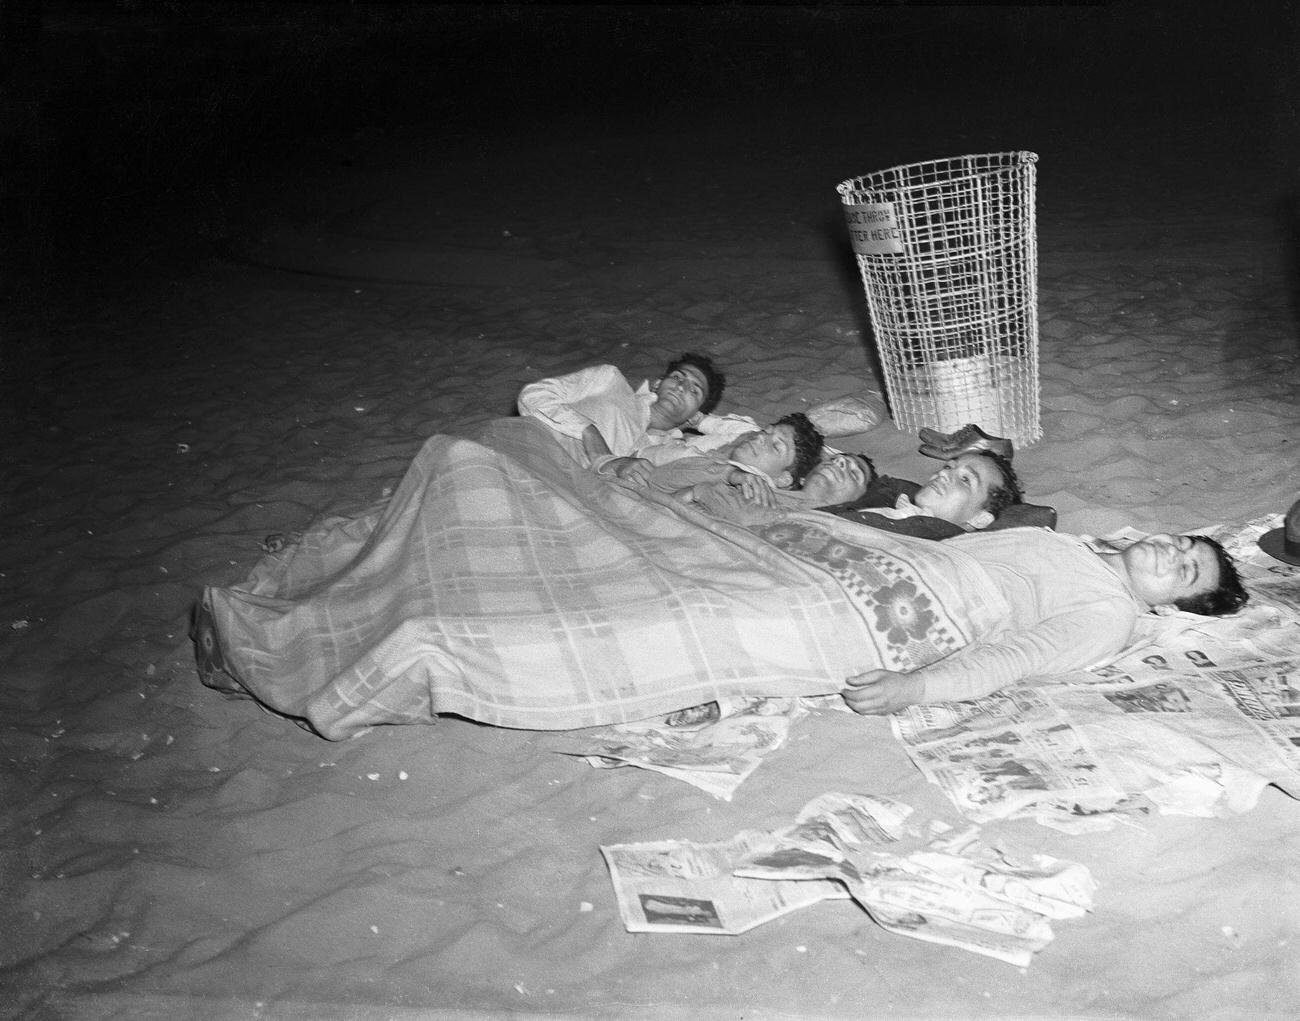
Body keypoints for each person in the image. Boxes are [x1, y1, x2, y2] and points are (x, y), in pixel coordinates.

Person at [841, 530, 1247, 716]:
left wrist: (914, 688)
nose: (1172, 552)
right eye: (1181, 543)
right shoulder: (1075, 544)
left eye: (1185, 571)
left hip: (897, 608)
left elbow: (1012, 660)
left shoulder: (1108, 614)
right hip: (885, 562)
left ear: (1168, 610)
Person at [517, 353, 751, 467]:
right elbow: (532, 395)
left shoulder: (667, 451)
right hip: (524, 447)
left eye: (694, 390)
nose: (681, 387)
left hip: (559, 486)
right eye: (678, 377)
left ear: (697, 412)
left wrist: (703, 423)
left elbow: (748, 436)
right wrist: (589, 432)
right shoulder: (609, 381)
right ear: (658, 384)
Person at [617, 413, 825, 496]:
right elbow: (700, 420)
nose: (761, 438)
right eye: (766, 432)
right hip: (639, 439)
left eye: (776, 447)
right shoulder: (743, 435)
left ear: (783, 479)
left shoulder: (746, 488)